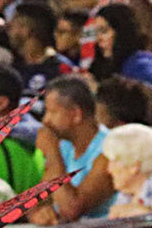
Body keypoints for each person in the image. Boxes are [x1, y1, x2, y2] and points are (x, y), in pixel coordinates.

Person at [37, 74, 116, 219]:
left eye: (52, 112)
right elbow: (38, 199)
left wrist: (52, 153)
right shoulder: (65, 146)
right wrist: (39, 214)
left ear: (76, 114)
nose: (45, 120)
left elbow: (71, 209)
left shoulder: (110, 149)